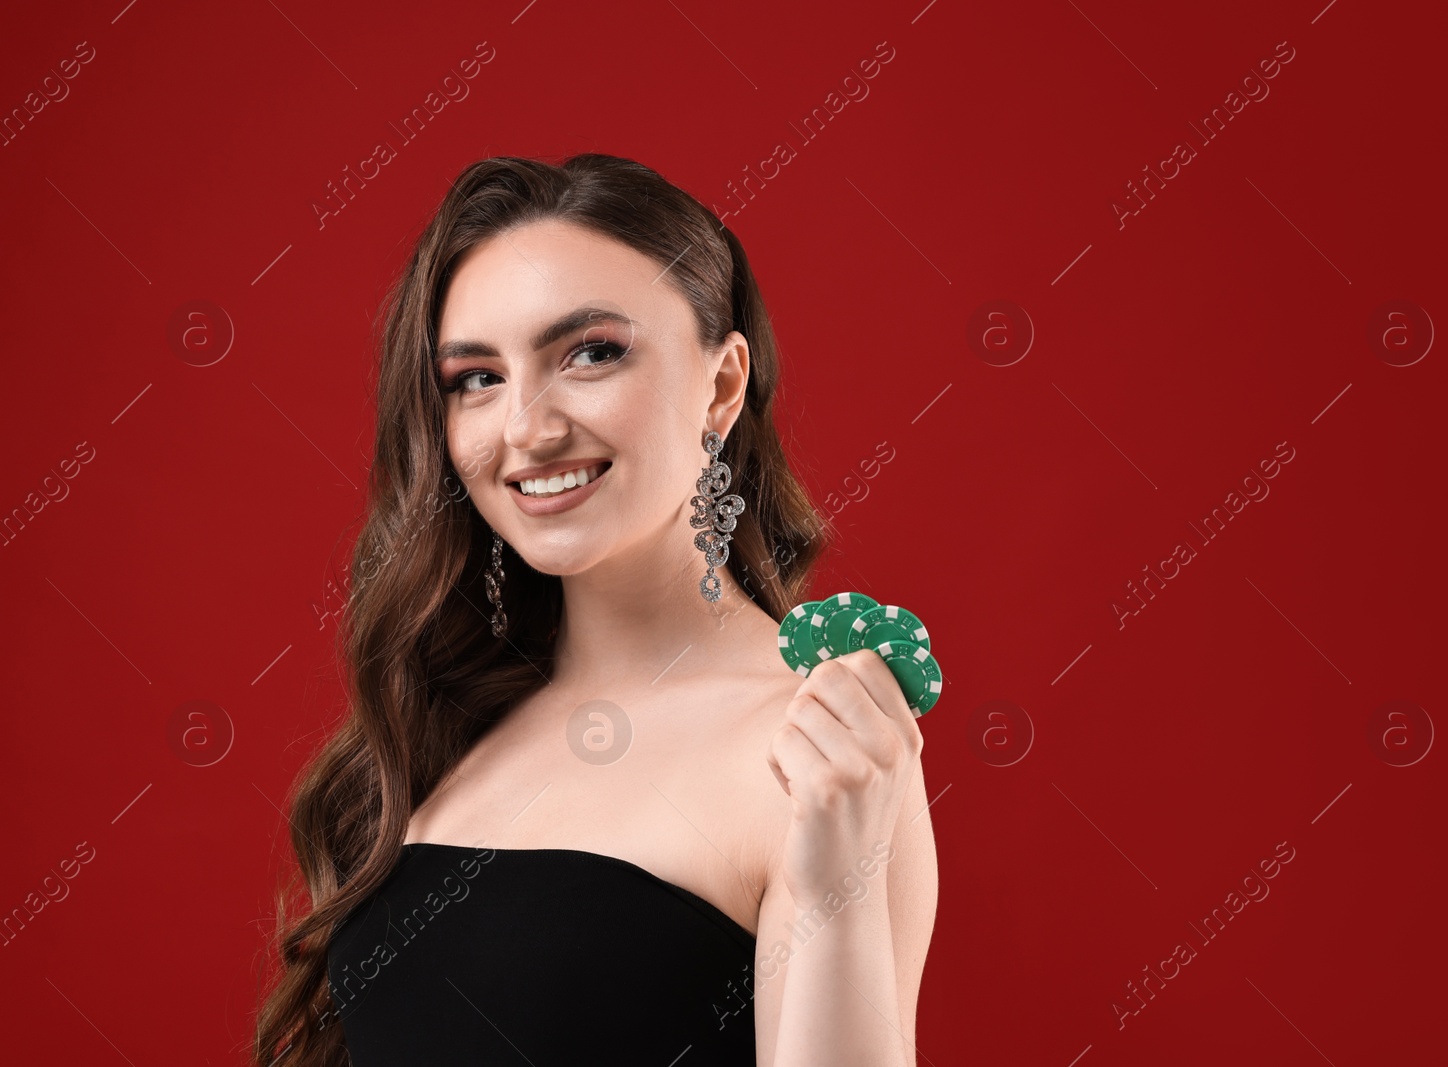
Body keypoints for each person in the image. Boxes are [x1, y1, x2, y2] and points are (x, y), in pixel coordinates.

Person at [253, 153, 938, 1066]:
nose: (528, 429)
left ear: (723, 384)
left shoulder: (819, 749)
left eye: (591, 353)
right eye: (476, 378)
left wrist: (834, 890)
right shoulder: (448, 717)